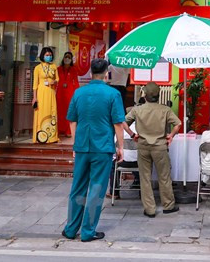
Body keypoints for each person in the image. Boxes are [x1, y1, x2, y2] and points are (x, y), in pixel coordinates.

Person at [63, 58, 125, 242]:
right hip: (102, 147)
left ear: (90, 73)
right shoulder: (113, 93)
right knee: (96, 188)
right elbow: (118, 123)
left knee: (78, 187)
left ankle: (71, 229)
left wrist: (75, 143)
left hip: (82, 145)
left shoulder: (79, 93)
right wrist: (121, 147)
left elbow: (72, 121)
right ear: (107, 74)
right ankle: (88, 231)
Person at [122, 82, 182, 217]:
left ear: (145, 95)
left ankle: (149, 209)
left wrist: (132, 135)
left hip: (143, 146)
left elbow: (123, 122)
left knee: (145, 178)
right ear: (158, 95)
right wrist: (171, 135)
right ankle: (168, 205)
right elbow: (178, 124)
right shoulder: (165, 110)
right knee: (164, 177)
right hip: (160, 147)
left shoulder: (137, 109)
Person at [32, 46, 59, 144]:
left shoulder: (54, 66)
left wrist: (54, 82)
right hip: (41, 92)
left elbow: (57, 79)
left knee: (52, 112)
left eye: (50, 55)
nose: (49, 56)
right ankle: (40, 136)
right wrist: (34, 98)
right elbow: (35, 84)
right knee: (41, 113)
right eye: (47, 55)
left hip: (51, 92)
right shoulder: (37, 68)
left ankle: (52, 137)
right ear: (42, 56)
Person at [56, 51, 78, 138]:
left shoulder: (73, 70)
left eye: (69, 57)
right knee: (59, 111)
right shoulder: (58, 69)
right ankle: (59, 130)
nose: (67, 59)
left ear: (71, 59)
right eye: (66, 57)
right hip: (60, 92)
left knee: (69, 111)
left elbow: (76, 82)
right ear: (63, 58)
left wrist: (76, 93)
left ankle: (68, 131)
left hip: (69, 92)